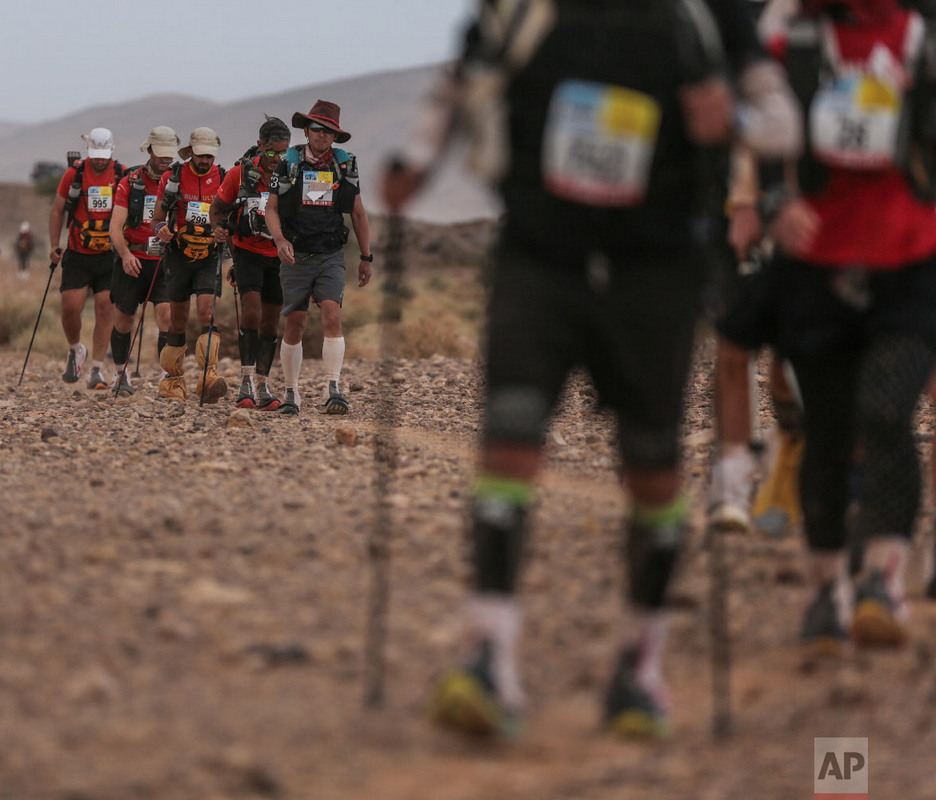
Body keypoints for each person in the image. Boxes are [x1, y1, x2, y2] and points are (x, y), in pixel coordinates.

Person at [382, 0, 801, 738]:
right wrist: (415, 164)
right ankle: (489, 658)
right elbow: (458, 84)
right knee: (508, 435)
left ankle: (639, 668)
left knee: (652, 466)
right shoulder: (518, 8)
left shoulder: (708, 14)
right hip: (539, 256)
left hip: (656, 267)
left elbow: (781, 122)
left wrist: (732, 119)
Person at [720, 0, 936, 650]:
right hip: (816, 262)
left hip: (908, 259)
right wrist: (771, 202)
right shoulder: (790, 34)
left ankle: (884, 579)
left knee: (886, 410)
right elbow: (759, 123)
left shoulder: (922, 32)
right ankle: (825, 590)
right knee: (829, 430)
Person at [264, 100, 372, 415]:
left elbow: (358, 212)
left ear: (335, 136)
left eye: (328, 131)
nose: (322, 136)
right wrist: (280, 239)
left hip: (330, 253)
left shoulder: (345, 165)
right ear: (306, 130)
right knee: (295, 323)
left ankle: (333, 388)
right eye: (316, 129)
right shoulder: (289, 164)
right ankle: (291, 392)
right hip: (295, 254)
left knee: (332, 315)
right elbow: (271, 208)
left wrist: (367, 256)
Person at [211, 116, 292, 410]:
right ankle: (245, 383)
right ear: (260, 146)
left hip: (279, 256)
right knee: (253, 312)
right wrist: (220, 231)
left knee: (272, 319)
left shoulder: (290, 176)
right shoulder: (239, 174)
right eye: (272, 153)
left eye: (284, 153)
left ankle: (263, 384)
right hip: (246, 252)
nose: (277, 159)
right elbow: (217, 209)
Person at [150, 126, 228, 403]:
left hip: (209, 256)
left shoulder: (224, 177)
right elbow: (157, 217)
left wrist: (225, 231)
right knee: (178, 320)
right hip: (178, 256)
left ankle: (208, 379)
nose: (206, 161)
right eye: (201, 155)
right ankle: (173, 383)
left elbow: (231, 216)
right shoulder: (174, 177)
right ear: (191, 152)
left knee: (208, 314)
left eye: (210, 156)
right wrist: (161, 228)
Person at [49, 127, 126, 388]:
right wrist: (53, 244)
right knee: (71, 308)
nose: (100, 159)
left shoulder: (120, 173)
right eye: (96, 154)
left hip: (108, 256)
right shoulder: (75, 174)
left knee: (105, 309)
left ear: (111, 150)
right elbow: (58, 210)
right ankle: (75, 348)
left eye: (104, 154)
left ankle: (96, 369)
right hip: (78, 253)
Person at [108, 125, 178, 396]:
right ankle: (119, 374)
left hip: (164, 260)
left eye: (168, 154)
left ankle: (166, 374)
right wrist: (125, 255)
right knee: (124, 320)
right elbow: (115, 226)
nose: (165, 159)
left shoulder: (177, 180)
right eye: (160, 154)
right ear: (149, 151)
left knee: (166, 315)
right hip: (133, 260)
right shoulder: (130, 182)